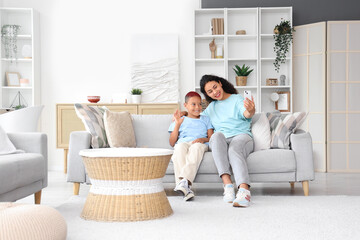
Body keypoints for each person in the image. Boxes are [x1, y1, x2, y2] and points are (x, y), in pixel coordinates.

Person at [200, 75, 255, 207]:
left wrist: (251, 110)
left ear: (220, 83)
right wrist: (184, 115)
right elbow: (197, 117)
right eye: (210, 91)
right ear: (207, 95)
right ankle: (228, 186)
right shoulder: (211, 107)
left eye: (215, 87)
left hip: (241, 136)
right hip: (223, 140)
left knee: (234, 149)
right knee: (216, 136)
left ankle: (244, 190)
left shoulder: (236, 99)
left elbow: (246, 113)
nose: (215, 92)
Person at [168, 91, 214, 201]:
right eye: (193, 104)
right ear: (185, 105)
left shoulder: (206, 119)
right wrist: (177, 124)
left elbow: (211, 138)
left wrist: (203, 139)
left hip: (200, 143)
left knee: (196, 148)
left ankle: (183, 183)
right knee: (179, 148)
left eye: (199, 104)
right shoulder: (180, 119)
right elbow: (172, 142)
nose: (197, 107)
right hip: (183, 143)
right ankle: (185, 187)